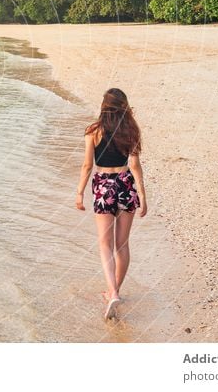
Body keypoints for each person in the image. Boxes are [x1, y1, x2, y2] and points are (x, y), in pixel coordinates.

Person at [74, 88, 147, 320]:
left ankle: (112, 291)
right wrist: (143, 197)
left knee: (105, 244)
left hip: (104, 186)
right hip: (126, 184)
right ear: (124, 105)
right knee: (122, 245)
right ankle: (115, 290)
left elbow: (87, 165)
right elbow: (134, 165)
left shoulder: (93, 131)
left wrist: (79, 193)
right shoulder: (131, 130)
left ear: (104, 106)